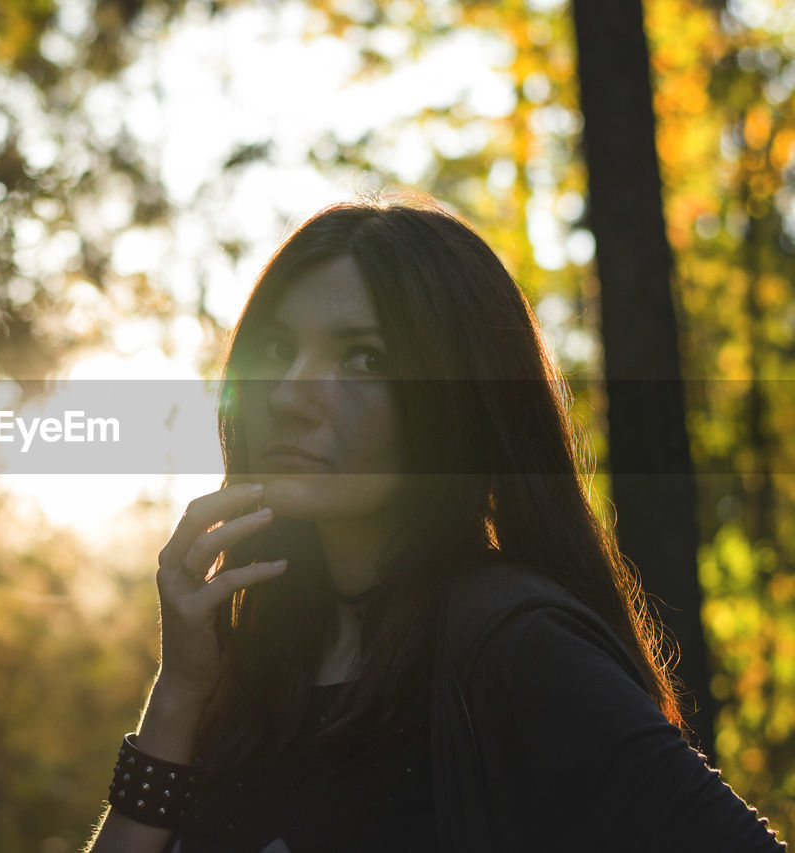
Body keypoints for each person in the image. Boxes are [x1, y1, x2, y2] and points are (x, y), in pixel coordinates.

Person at [81, 193, 788, 853]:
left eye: (364, 359)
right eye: (275, 351)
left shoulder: (515, 642)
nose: (292, 393)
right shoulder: (258, 659)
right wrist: (178, 694)